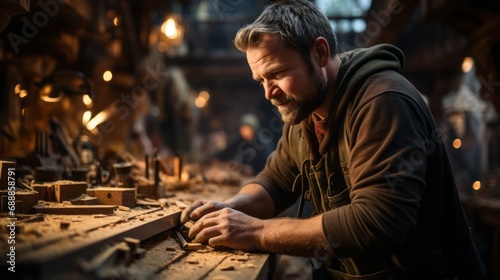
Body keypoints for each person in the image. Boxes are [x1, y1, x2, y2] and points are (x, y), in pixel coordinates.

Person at [180, 1, 486, 279]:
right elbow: (275, 182)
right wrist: (231, 208)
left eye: (277, 73)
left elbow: (377, 221)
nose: (268, 93)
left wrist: (257, 232)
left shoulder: (382, 101)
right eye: (261, 80)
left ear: (320, 53)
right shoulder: (305, 110)